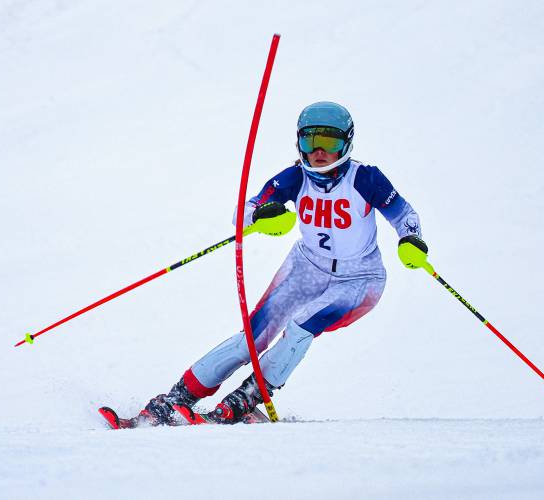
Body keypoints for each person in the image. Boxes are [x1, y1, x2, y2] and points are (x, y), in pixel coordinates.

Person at [139, 101, 428, 425]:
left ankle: (246, 399)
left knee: (302, 325)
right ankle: (178, 397)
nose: (318, 151)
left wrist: (411, 239)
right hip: (306, 266)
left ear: (346, 144)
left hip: (358, 277)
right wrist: (261, 215)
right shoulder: (294, 178)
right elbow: (244, 213)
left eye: (329, 142)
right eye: (309, 141)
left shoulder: (366, 179)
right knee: (252, 337)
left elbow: (405, 215)